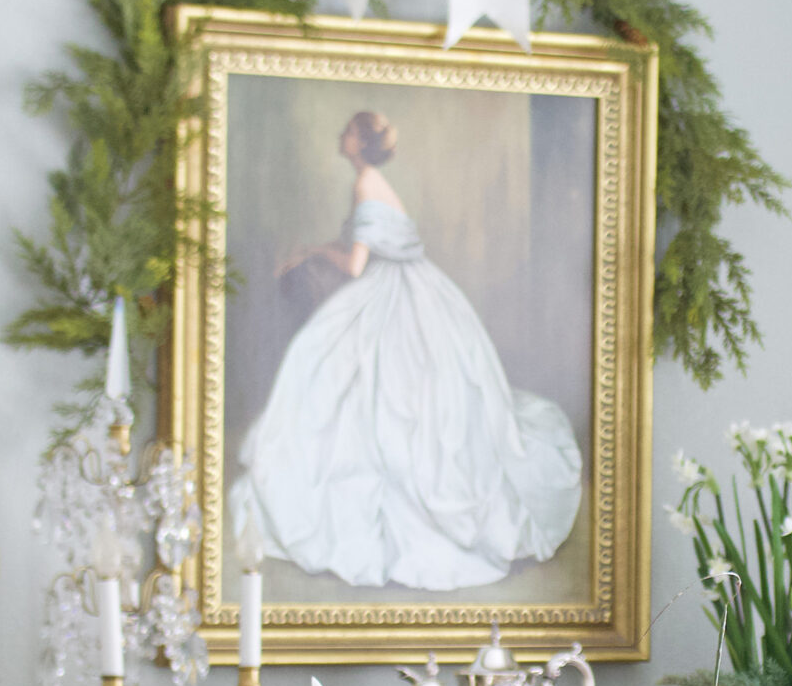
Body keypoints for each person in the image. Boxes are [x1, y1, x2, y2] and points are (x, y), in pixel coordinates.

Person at [230, 110, 581, 591]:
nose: (342, 134)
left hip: (393, 291)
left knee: (353, 377)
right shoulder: (371, 181)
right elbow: (363, 242)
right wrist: (315, 247)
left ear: (360, 143)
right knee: (357, 380)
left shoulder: (366, 183)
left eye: (348, 130)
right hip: (412, 285)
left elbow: (356, 265)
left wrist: (313, 253)